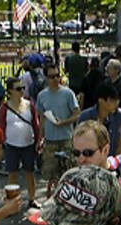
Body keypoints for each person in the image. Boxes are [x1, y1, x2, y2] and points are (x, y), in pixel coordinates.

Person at [69, 120, 121, 211]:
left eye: (88, 153)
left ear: (105, 150)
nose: (81, 159)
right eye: (76, 153)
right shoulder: (72, 182)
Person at [36, 63, 81, 196]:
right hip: (50, 140)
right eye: (51, 76)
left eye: (57, 76)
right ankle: (52, 198)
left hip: (66, 138)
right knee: (51, 173)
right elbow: (42, 119)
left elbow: (77, 113)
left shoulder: (68, 93)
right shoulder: (42, 96)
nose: (55, 79)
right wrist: (40, 139)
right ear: (46, 78)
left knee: (69, 171)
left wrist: (64, 122)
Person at [0, 76, 41, 208]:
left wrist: (38, 140)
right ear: (10, 91)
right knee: (12, 174)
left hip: (28, 144)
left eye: (23, 88)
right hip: (12, 145)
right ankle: (12, 202)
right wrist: (0, 146)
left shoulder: (29, 104)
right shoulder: (4, 108)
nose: (21, 91)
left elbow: (35, 124)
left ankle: (32, 199)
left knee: (30, 172)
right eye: (18, 88)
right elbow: (1, 127)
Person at [76, 83, 121, 157]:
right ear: (101, 100)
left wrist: (115, 163)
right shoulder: (85, 116)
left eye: (117, 100)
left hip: (111, 161)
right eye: (112, 100)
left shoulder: (120, 116)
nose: (116, 104)